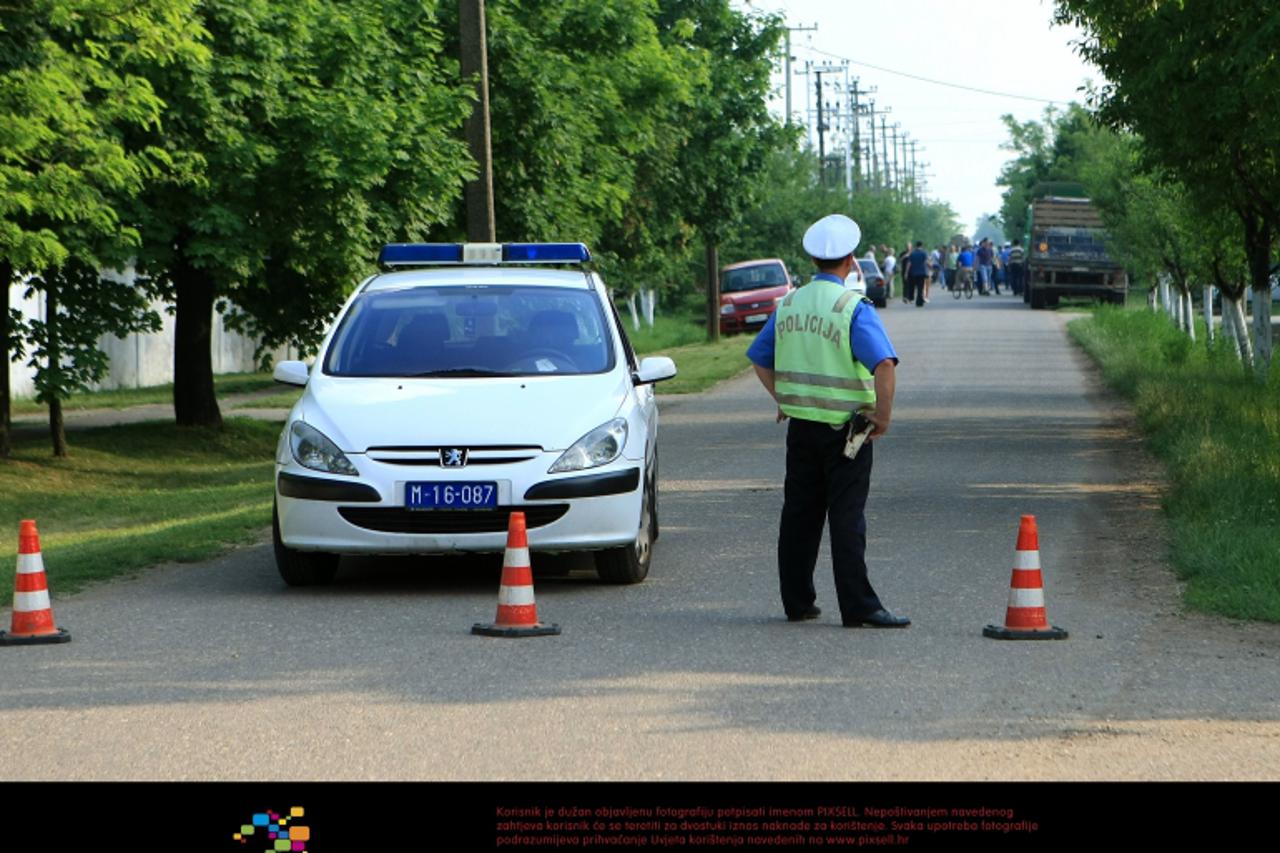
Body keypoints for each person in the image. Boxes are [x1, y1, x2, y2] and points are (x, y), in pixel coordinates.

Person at [746, 214, 909, 629]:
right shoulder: (850, 307)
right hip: (846, 432)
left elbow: (759, 358)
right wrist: (883, 416)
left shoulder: (789, 304)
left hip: (802, 427)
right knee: (846, 518)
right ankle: (859, 607)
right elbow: (884, 364)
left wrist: (783, 398)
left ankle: (797, 601)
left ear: (813, 260)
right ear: (851, 261)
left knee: (799, 515)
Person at [906, 240, 929, 307]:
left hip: (914, 273)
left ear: (916, 245)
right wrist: (930, 266)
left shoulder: (912, 253)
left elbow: (909, 264)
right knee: (920, 288)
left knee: (915, 287)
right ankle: (919, 302)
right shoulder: (924, 253)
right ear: (921, 246)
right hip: (922, 273)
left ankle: (915, 299)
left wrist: (906, 273)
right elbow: (926, 262)